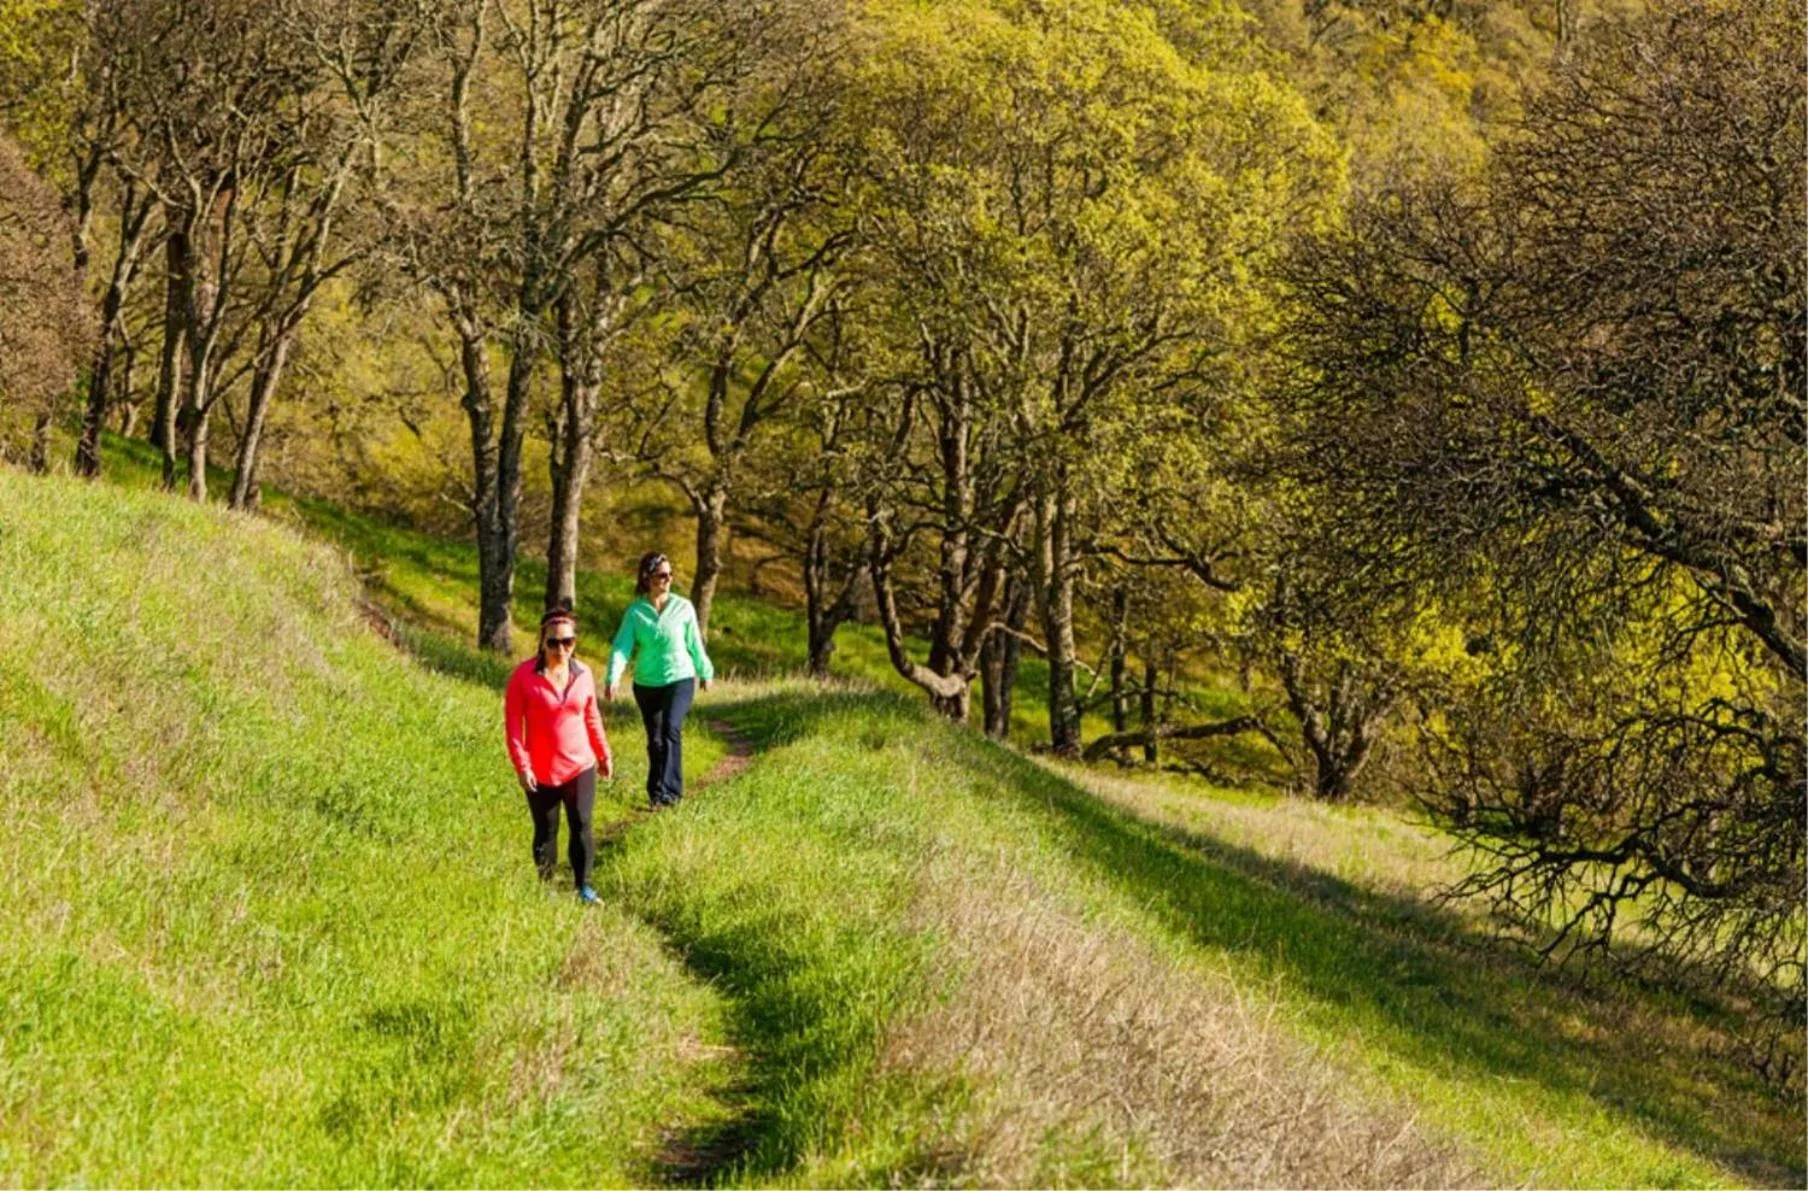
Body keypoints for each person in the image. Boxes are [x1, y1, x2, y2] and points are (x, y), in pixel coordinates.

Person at [504, 606, 613, 904]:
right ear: (542, 641)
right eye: (554, 642)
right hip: (541, 770)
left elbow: (592, 716)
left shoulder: (584, 674)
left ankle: (584, 887)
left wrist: (603, 753)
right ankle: (546, 889)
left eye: (568, 642)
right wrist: (522, 765)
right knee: (546, 830)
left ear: (575, 642)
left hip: (580, 764)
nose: (561, 649)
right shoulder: (523, 677)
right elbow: (514, 727)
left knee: (582, 822)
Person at [604, 552, 714, 808]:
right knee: (655, 739)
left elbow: (695, 644)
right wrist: (613, 677)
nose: (667, 580)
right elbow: (622, 647)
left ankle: (671, 793)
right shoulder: (635, 612)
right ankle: (656, 792)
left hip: (680, 678)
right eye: (661, 575)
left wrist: (705, 671)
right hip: (646, 684)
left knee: (670, 729)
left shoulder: (683, 607)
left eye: (669, 575)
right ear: (647, 578)